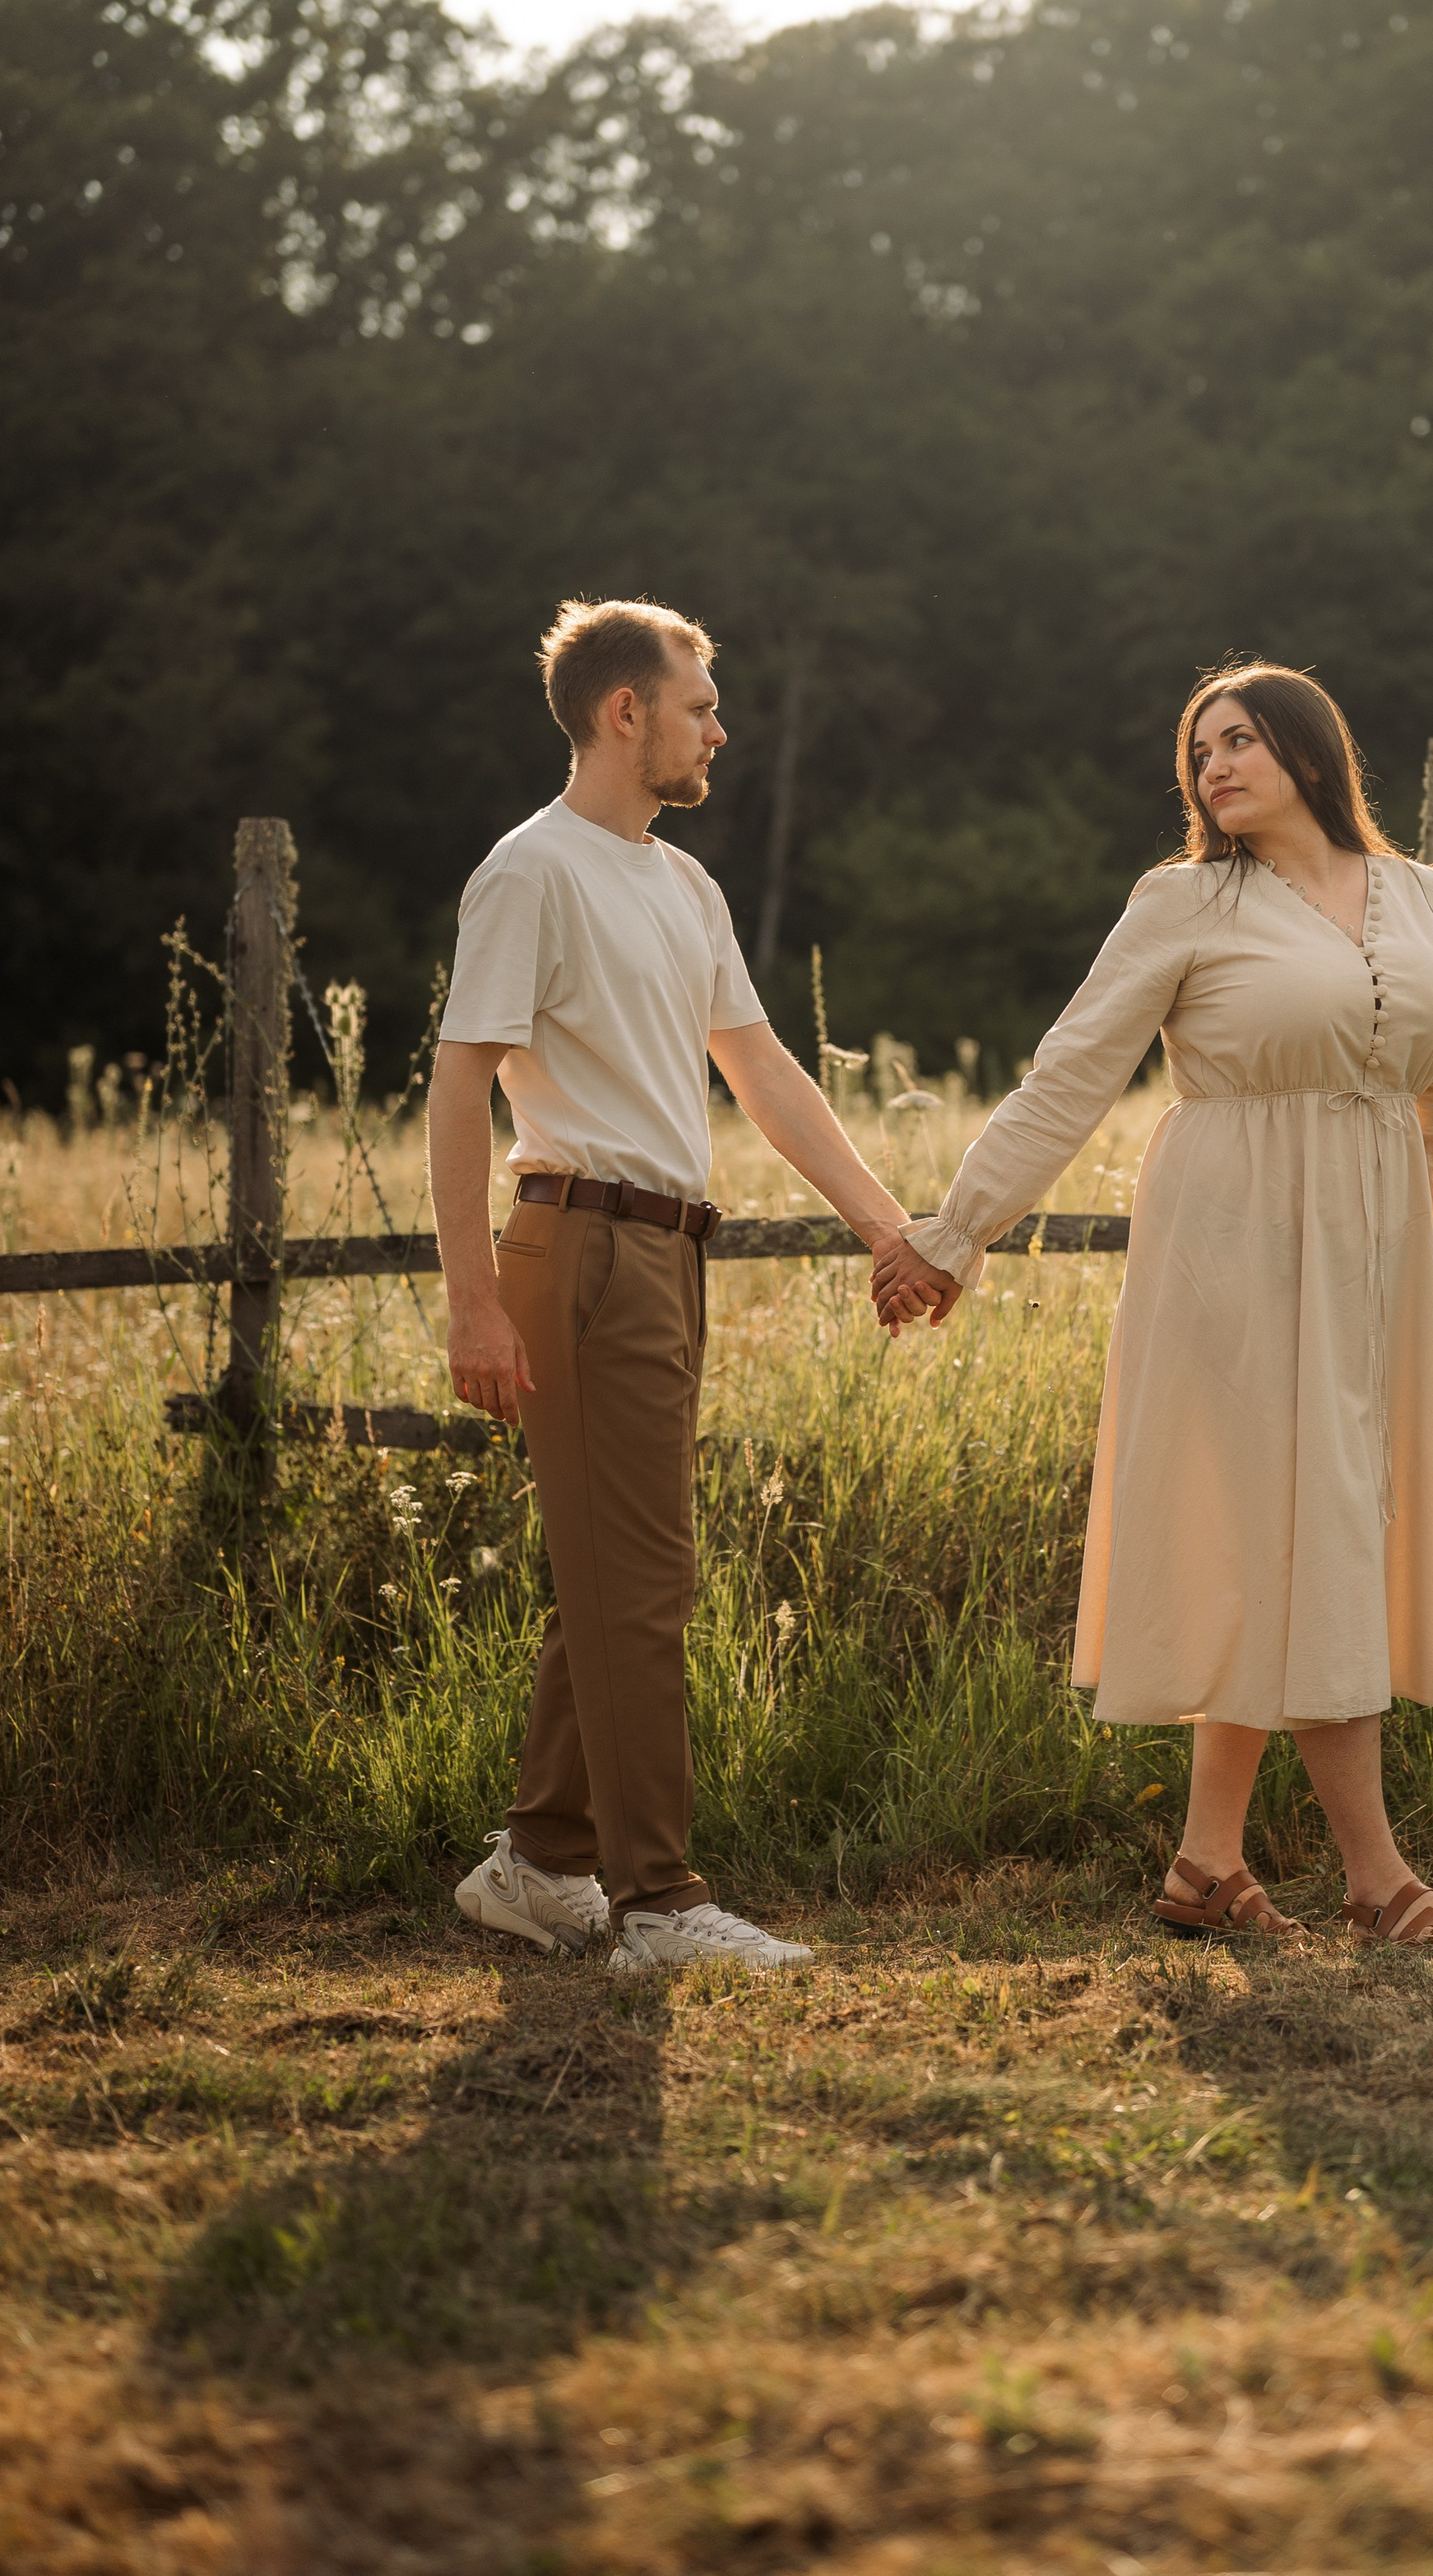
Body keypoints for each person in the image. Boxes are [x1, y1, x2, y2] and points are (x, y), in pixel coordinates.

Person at [871, 665, 1433, 1952]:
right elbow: (1069, 1078)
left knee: (1289, 1540)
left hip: (1376, 1257)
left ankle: (1204, 1866)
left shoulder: (1424, 899)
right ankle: (1380, 1880)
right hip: (1230, 1244)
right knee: (1302, 1530)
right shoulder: (1182, 901)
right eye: (1198, 752)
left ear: (1309, 750)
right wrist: (952, 1234)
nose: (1212, 766)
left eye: (1239, 741)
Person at [432, 599, 918, 1975]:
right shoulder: (531, 872)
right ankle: (656, 1903)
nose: (721, 726)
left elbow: (764, 1076)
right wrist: (472, 1302)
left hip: (665, 1252)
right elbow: (460, 1085)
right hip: (575, 1246)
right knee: (641, 1579)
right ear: (623, 712)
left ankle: (536, 1865)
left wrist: (891, 1230)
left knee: (620, 1571)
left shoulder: (684, 884)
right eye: (700, 703)